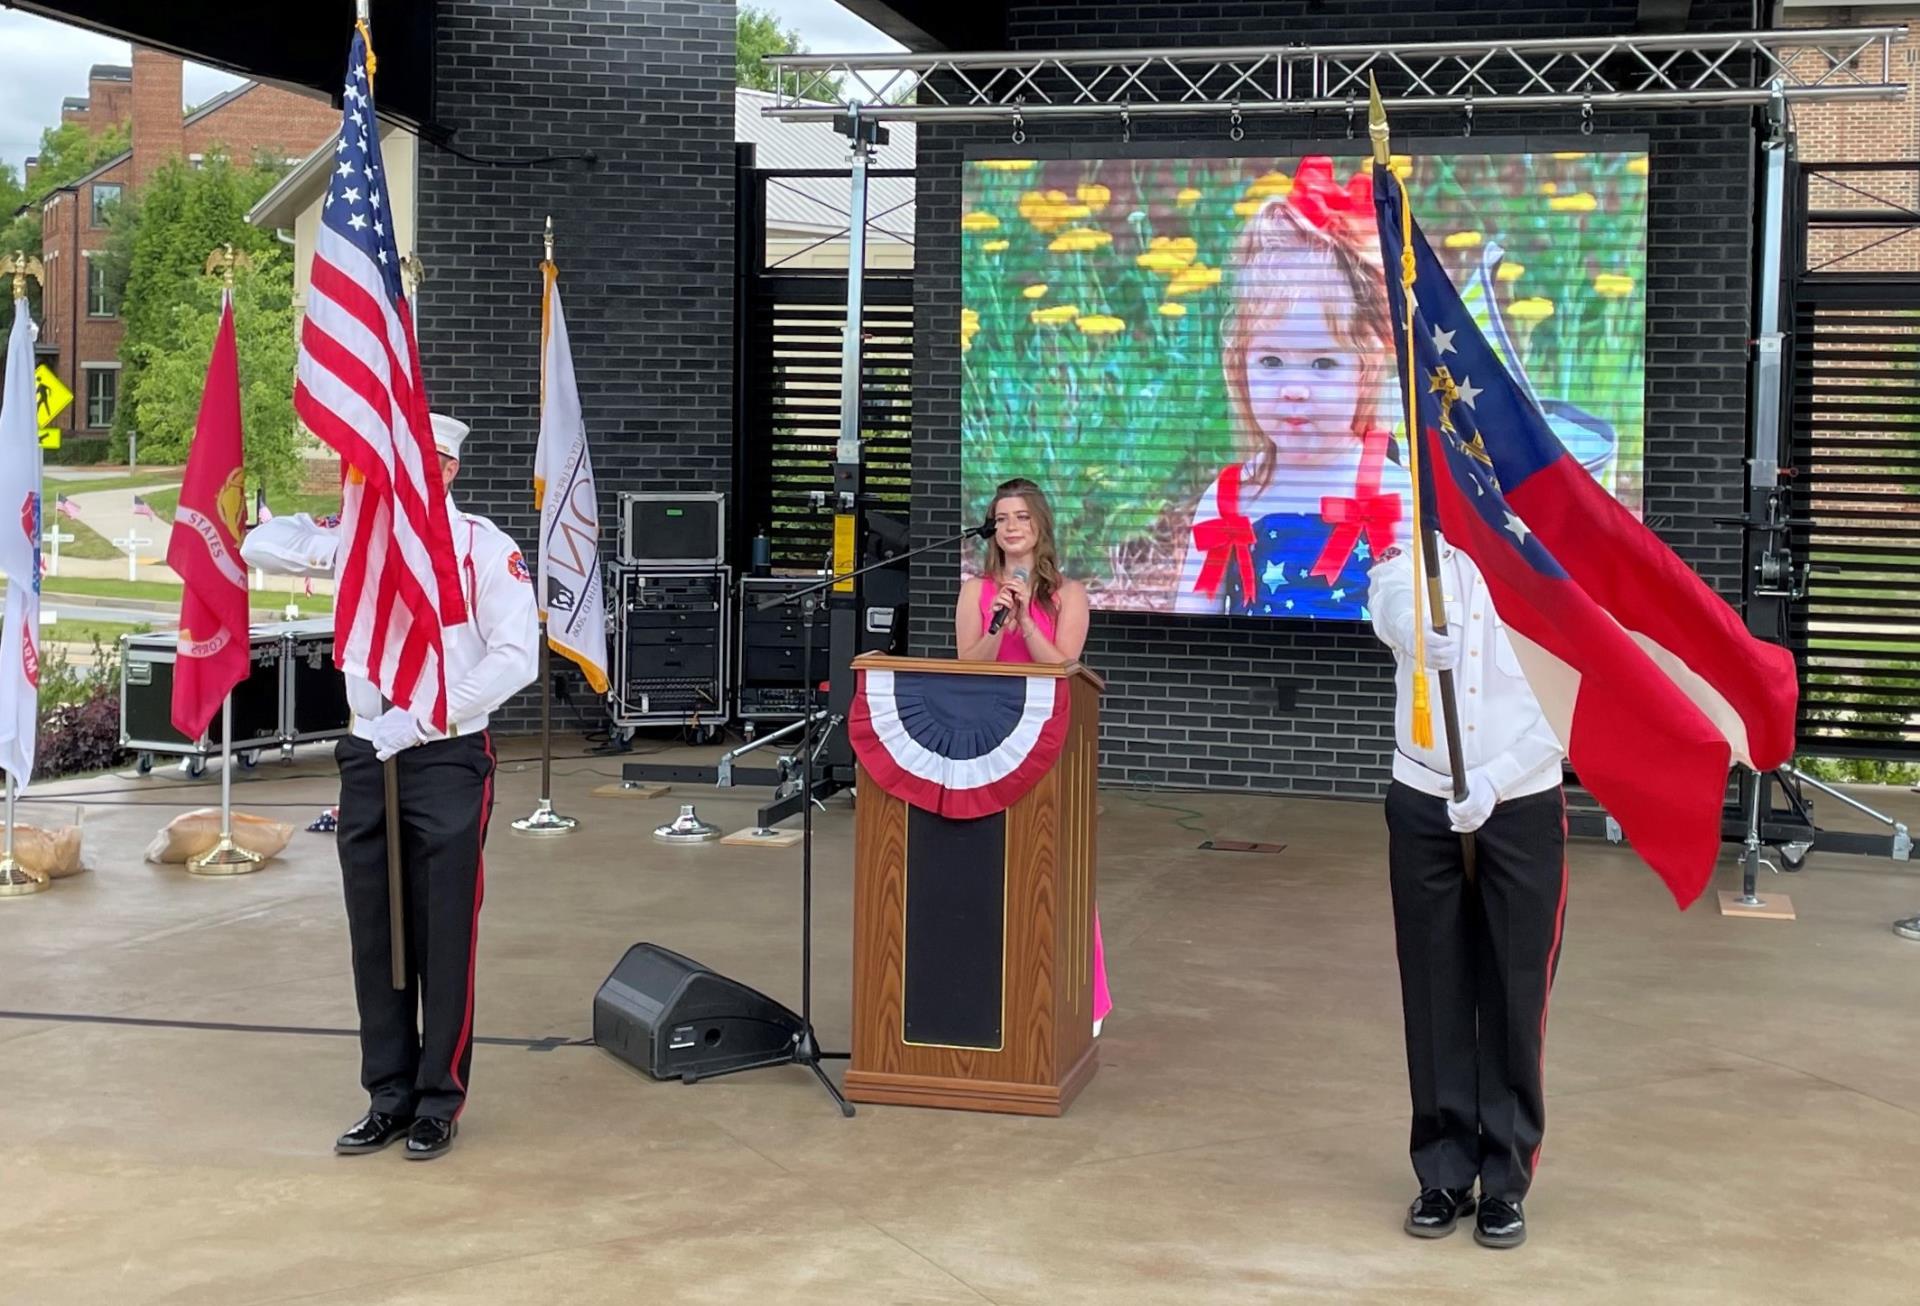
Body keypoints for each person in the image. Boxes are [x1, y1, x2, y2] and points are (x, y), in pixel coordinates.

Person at [242, 413, 538, 1160]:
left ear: (452, 471)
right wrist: (344, 523)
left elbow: (516, 658)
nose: (420, 471)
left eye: (432, 461)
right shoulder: (360, 545)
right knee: (374, 931)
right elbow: (260, 545)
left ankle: (439, 1098)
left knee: (443, 932)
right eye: (403, 460)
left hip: (444, 753)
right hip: (368, 751)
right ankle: (388, 1094)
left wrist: (428, 713)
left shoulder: (480, 547)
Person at [1368, 534, 1569, 1249]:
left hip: (1518, 802)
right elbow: (1386, 598)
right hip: (1424, 797)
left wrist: (1499, 776)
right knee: (1434, 987)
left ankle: (1505, 1181)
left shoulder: (1548, 565)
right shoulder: (1416, 550)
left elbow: (1571, 698)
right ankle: (1444, 1169)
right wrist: (1412, 631)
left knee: (1515, 992)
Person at [1179, 156, 1409, 618]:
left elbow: (1421, 608)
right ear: (1239, 363)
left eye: (1323, 362)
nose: (1294, 389)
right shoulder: (1232, 495)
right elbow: (1192, 613)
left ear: (1365, 366)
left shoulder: (1393, 487)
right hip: (1249, 685)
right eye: (1271, 361)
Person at [955, 477, 1112, 1034]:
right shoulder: (976, 592)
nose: (1012, 526)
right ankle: (999, 988)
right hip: (989, 742)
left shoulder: (1069, 594)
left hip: (1050, 737)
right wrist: (1000, 622)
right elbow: (969, 667)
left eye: (1022, 516)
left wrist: (1025, 620)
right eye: (1001, 518)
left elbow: (1065, 667)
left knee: (1055, 864)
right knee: (994, 862)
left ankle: (1082, 996)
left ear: (1041, 524)